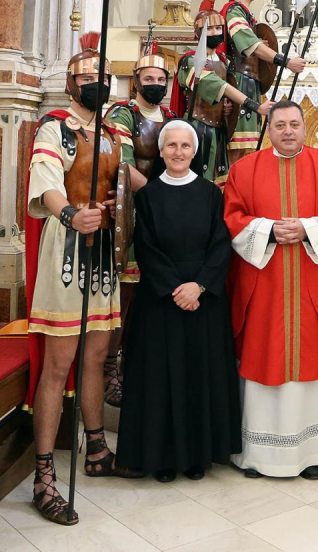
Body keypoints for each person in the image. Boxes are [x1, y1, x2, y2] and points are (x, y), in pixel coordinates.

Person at [223, 100, 318, 479]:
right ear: (268, 129)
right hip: (264, 285)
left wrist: (307, 229)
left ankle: (312, 452)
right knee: (262, 354)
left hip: (314, 283)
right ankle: (258, 452)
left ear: (306, 128)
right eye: (280, 124)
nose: (288, 131)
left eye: (294, 124)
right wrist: (269, 230)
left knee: (312, 358)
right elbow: (232, 219)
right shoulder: (244, 170)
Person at [23, 32, 132, 526]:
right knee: (58, 361)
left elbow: (125, 185)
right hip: (67, 251)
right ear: (71, 85)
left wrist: (120, 203)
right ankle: (43, 478)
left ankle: (96, 450)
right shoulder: (56, 128)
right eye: (88, 78)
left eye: (102, 78)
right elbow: (45, 181)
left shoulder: (112, 134)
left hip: (105, 255)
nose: (97, 84)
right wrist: (70, 215)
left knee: (97, 354)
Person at [115, 120, 241, 483]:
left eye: (185, 146)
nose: (178, 152)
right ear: (161, 151)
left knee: (199, 376)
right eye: (171, 146)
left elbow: (221, 244)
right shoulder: (149, 195)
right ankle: (163, 457)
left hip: (204, 301)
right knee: (160, 379)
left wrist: (199, 285)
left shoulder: (212, 194)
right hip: (161, 300)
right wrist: (177, 287)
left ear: (194, 151)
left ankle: (197, 456)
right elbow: (147, 248)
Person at [102, 49, 176, 406]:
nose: (156, 85)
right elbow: (122, 165)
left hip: (161, 211)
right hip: (132, 210)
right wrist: (159, 198)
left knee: (152, 296)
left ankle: (138, 367)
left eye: (161, 80)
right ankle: (108, 372)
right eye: (149, 79)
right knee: (126, 297)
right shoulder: (123, 114)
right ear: (136, 81)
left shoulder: (172, 116)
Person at [222, 0, 306, 166]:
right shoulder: (234, 11)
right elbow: (251, 46)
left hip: (250, 82)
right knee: (239, 146)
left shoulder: (248, 15)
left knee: (250, 147)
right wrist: (286, 61)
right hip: (239, 80)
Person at [175, 0, 245, 188]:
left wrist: (229, 106)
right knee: (197, 180)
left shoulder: (223, 61)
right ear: (199, 33)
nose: (215, 33)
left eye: (218, 28)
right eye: (210, 29)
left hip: (219, 130)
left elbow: (229, 87)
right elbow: (213, 86)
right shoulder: (189, 61)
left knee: (220, 182)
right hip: (199, 126)